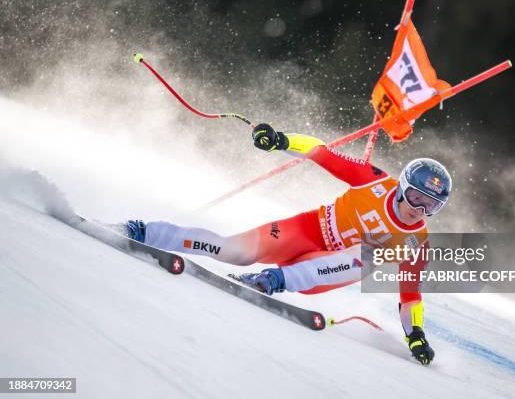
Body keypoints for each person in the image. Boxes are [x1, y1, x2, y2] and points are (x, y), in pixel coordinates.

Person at [126, 124, 452, 365]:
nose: (418, 209)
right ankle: (146, 232)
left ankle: (274, 280)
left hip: (323, 271)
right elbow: (322, 153)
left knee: (369, 258)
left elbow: (410, 296)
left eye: (431, 206)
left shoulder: (416, 243)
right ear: (402, 187)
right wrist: (281, 140)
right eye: (414, 197)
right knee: (234, 251)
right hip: (307, 230)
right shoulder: (375, 181)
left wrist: (416, 335)